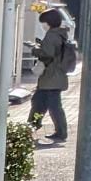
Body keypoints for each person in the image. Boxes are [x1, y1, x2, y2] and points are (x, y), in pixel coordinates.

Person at [30, 8, 74, 142]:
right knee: (40, 103)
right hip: (56, 76)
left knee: (51, 106)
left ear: (48, 22)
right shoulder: (61, 34)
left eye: (43, 22)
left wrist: (35, 50)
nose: (42, 25)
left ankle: (60, 132)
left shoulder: (51, 35)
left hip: (51, 77)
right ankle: (31, 127)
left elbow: (47, 54)